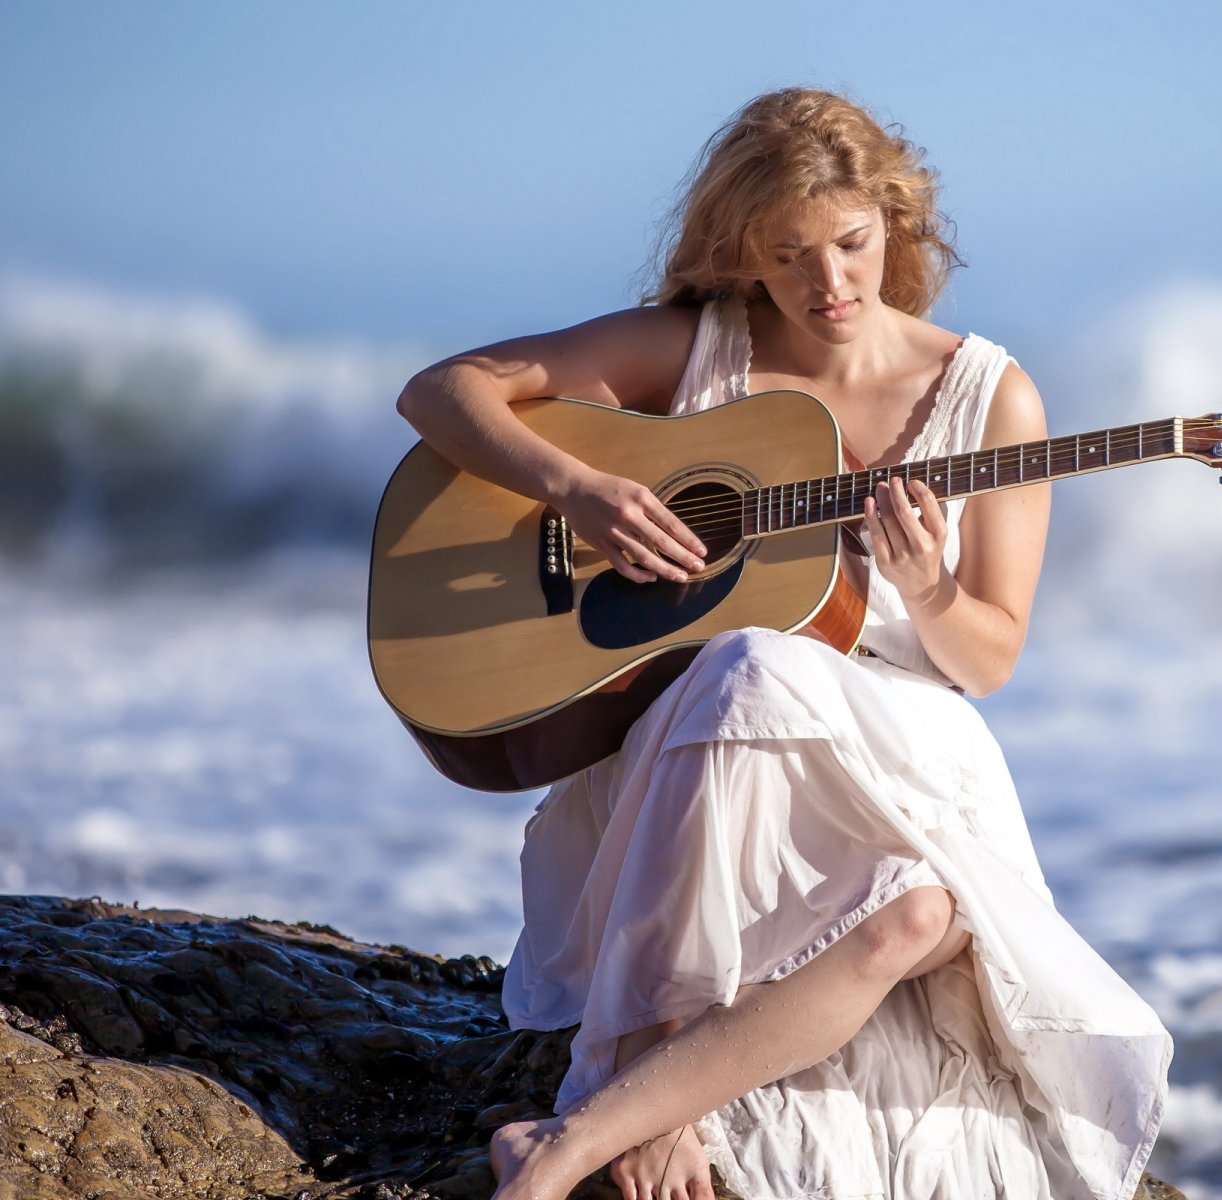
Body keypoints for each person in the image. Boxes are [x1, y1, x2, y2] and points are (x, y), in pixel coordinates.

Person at [394, 87, 1171, 1200]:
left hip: (900, 748)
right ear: (742, 252)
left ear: (895, 220)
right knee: (749, 666)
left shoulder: (990, 396)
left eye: (851, 243)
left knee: (919, 908)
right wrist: (580, 488)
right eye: (788, 255)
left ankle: (578, 1131)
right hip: (706, 766)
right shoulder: (696, 350)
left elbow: (987, 659)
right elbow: (443, 391)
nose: (829, 284)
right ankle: (647, 1077)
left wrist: (927, 586)